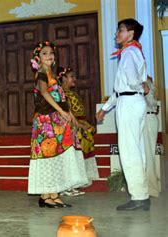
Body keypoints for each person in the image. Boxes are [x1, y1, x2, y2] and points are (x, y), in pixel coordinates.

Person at [96, 19, 150, 211]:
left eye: (120, 30)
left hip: (129, 103)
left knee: (129, 150)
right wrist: (105, 108)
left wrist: (140, 87)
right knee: (137, 148)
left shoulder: (128, 53)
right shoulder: (134, 51)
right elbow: (122, 89)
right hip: (132, 101)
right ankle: (141, 195)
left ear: (131, 33)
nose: (116, 34)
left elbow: (131, 81)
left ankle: (139, 197)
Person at [28, 41, 88, 208]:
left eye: (51, 53)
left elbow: (61, 100)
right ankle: (47, 195)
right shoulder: (41, 73)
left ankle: (50, 194)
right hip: (46, 120)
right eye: (44, 53)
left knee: (55, 156)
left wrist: (70, 116)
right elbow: (45, 93)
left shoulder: (52, 76)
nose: (49, 56)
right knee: (49, 155)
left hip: (56, 120)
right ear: (38, 59)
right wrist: (61, 112)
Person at [58, 67, 100, 196]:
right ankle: (66, 185)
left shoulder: (72, 94)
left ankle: (74, 184)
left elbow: (79, 114)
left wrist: (85, 124)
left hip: (79, 126)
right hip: (70, 127)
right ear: (64, 79)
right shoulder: (61, 94)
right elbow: (66, 113)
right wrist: (78, 125)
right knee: (70, 156)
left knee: (77, 157)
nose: (74, 79)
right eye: (71, 76)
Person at [142, 76, 160, 197]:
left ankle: (152, 189)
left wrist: (147, 91)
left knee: (149, 154)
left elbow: (153, 103)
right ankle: (146, 187)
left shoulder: (146, 82)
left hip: (149, 118)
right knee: (145, 155)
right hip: (143, 120)